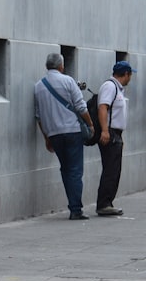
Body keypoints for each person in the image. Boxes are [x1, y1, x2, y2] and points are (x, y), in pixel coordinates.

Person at [34, 53, 96, 220]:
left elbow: (38, 116)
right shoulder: (68, 81)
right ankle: (75, 209)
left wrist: (46, 137)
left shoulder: (39, 86)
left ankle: (73, 205)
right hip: (72, 131)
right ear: (61, 66)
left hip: (54, 134)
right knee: (75, 171)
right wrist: (90, 124)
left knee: (66, 169)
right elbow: (81, 106)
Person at [95, 60, 136, 217]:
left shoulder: (117, 89)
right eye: (130, 75)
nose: (130, 78)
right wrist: (105, 131)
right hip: (110, 133)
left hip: (115, 133)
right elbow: (103, 107)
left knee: (114, 169)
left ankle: (107, 202)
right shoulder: (110, 86)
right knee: (111, 169)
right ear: (126, 74)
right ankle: (104, 204)